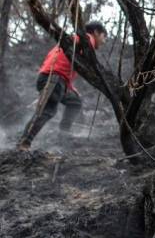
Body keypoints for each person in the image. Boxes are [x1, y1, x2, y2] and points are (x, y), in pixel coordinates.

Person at [17, 22, 108, 150]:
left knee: (75, 101)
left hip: (54, 79)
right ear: (96, 32)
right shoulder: (87, 40)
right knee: (48, 110)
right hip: (54, 78)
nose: (104, 41)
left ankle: (63, 133)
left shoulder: (74, 40)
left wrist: (70, 86)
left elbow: (63, 63)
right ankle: (24, 142)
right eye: (104, 36)